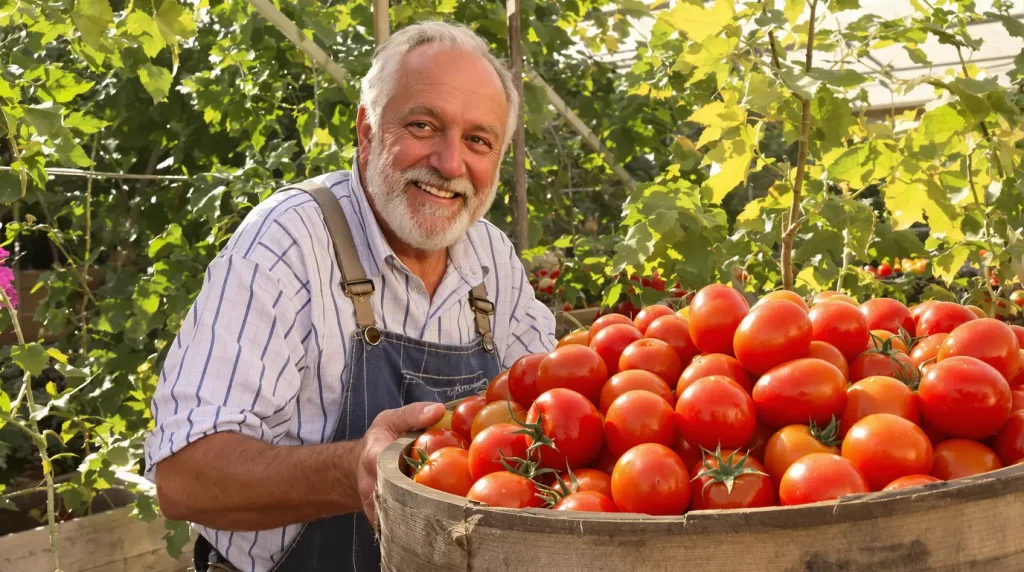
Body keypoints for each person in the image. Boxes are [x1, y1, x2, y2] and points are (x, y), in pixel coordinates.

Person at [144, 20, 557, 572]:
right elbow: (184, 478)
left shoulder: (492, 259)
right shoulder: (290, 241)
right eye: (423, 125)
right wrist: (353, 468)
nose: (450, 163)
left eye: (478, 141)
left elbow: (554, 418)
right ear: (367, 131)